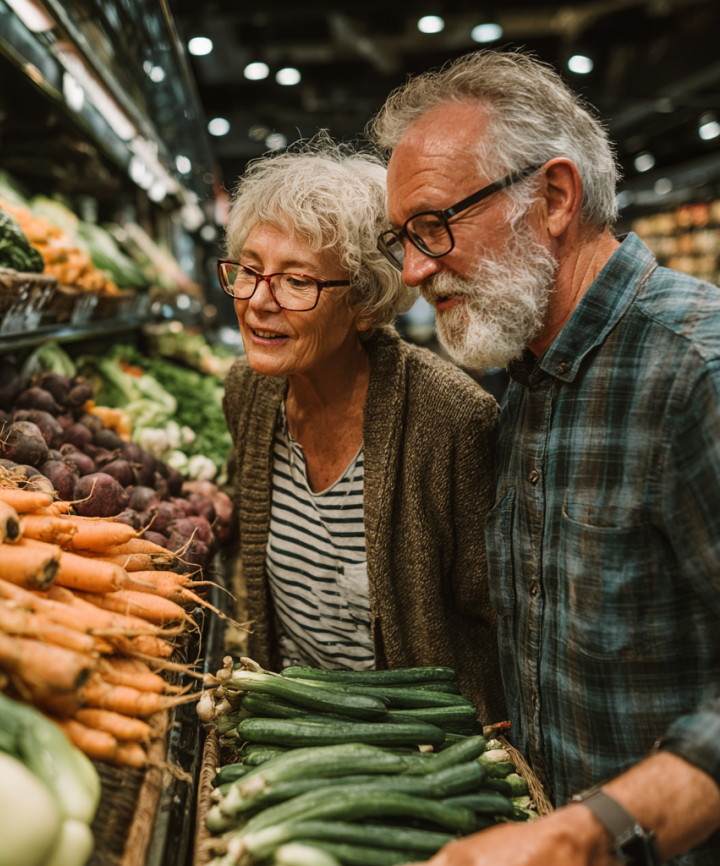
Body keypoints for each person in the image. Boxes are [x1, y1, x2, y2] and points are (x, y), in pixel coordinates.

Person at [372, 50, 720, 865]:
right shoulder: (527, 365)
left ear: (554, 197)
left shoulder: (696, 370)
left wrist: (586, 833)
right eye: (403, 239)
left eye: (433, 225)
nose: (415, 270)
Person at [221, 139, 506, 723]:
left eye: (296, 281)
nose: (257, 302)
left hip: (414, 755)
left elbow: (495, 622)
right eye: (249, 270)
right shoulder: (248, 393)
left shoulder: (450, 418)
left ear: (365, 303)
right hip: (292, 733)